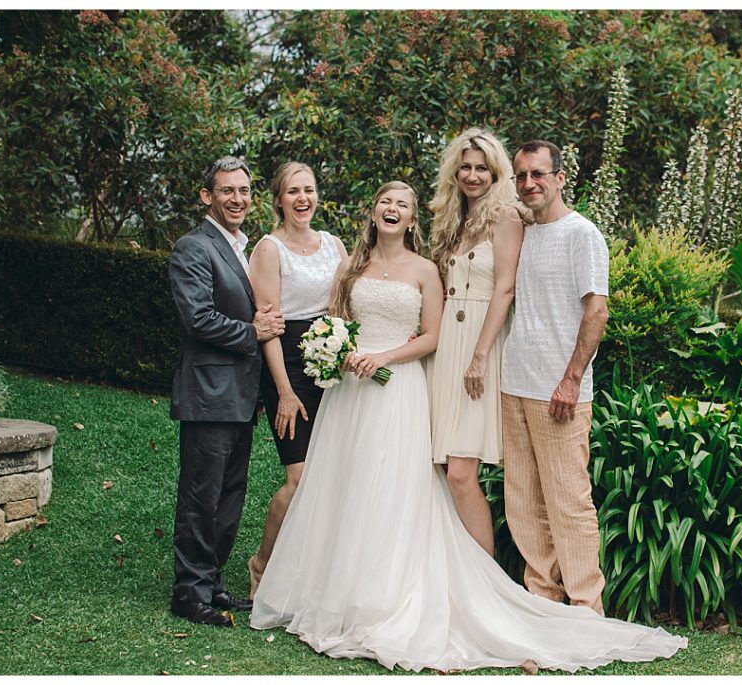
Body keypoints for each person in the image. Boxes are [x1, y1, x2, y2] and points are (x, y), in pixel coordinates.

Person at [250, 181, 687, 672]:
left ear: (414, 219)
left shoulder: (426, 270)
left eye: (403, 205)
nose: (392, 210)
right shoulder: (350, 267)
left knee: (398, 487)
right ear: (372, 213)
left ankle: (398, 593)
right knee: (346, 487)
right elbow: (337, 320)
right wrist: (338, 348)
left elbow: (433, 335)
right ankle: (340, 591)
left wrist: (386, 356)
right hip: (350, 395)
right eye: (384, 203)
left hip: (399, 388)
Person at [167, 156, 285, 627]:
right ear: (207, 196)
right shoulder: (193, 247)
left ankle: (211, 582)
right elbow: (196, 318)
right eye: (226, 191)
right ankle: (188, 593)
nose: (237, 199)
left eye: (243, 191)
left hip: (239, 395)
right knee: (200, 496)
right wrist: (252, 332)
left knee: (230, 494)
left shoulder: (241, 248)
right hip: (208, 392)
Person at [500, 140, 610, 614]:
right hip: (514, 384)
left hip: (560, 392)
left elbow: (597, 311)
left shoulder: (582, 234)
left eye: (538, 174)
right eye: (521, 176)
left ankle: (586, 610)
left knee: (569, 504)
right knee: (524, 504)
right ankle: (543, 606)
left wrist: (570, 379)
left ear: (561, 178)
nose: (529, 184)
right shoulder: (521, 234)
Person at [245, 162, 347, 598]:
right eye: (293, 192)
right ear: (279, 200)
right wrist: (283, 392)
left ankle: (314, 572)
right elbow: (268, 324)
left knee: (335, 476)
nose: (302, 199)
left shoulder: (335, 245)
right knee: (300, 477)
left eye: (308, 190)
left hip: (333, 365)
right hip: (287, 365)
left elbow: (347, 305)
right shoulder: (268, 249)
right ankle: (261, 566)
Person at [426, 128, 525, 555]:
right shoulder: (452, 219)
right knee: (441, 462)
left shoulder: (508, 216)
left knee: (462, 472)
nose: (472, 175)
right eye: (465, 167)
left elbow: (505, 289)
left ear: (495, 171)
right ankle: (452, 570)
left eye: (481, 167)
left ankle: (485, 578)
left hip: (480, 343)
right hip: (446, 343)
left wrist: (480, 356)